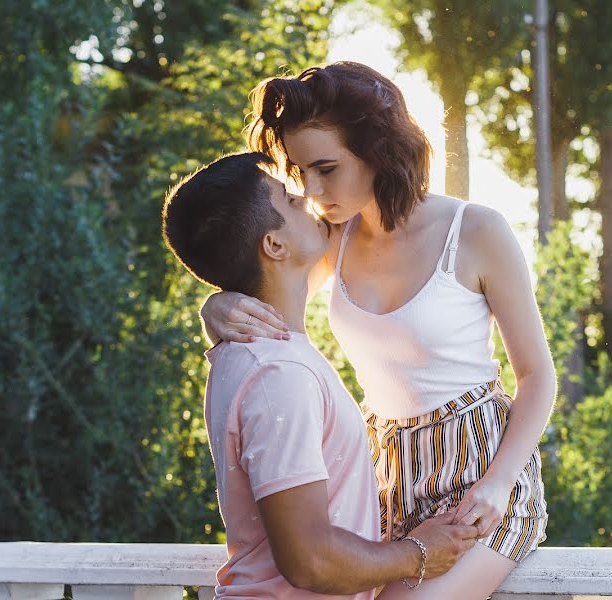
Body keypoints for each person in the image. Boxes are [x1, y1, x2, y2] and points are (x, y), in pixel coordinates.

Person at [200, 62, 556, 599]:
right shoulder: (331, 239)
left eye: (326, 168)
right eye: (300, 173)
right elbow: (269, 277)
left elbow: (536, 375)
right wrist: (217, 306)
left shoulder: (477, 230)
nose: (313, 190)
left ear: (377, 149)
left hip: (478, 473)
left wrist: (499, 484)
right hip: (379, 477)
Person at [162, 152, 479, 600]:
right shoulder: (278, 375)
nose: (308, 199)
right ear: (274, 245)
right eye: (291, 201)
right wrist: (419, 552)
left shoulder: (243, 352)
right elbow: (309, 559)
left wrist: (216, 303)